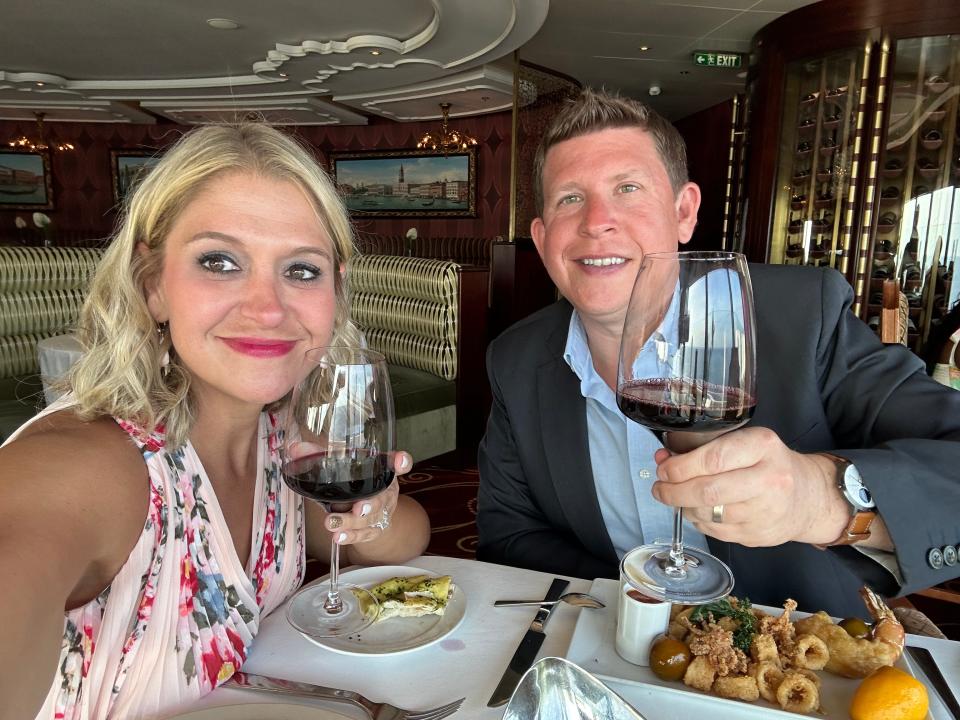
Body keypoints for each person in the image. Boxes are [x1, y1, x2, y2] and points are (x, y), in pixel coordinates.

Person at [0, 123, 431, 720]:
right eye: (219, 261)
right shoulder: (91, 462)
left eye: (302, 270)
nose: (267, 307)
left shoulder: (282, 434)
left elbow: (406, 540)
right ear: (153, 286)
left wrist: (372, 507)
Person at [477, 88, 960, 619]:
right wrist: (635, 606)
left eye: (628, 188)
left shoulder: (802, 317)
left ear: (683, 212)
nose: (597, 220)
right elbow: (510, 533)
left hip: (798, 660)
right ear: (543, 240)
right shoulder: (515, 358)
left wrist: (825, 500)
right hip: (609, 645)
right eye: (570, 198)